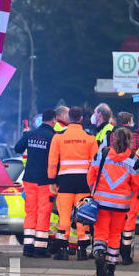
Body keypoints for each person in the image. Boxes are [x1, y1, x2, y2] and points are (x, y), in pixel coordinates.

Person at [87, 127, 139, 276]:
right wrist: (130, 195)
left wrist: (93, 189)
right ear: (129, 141)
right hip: (121, 204)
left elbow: (91, 174)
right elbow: (137, 183)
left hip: (101, 202)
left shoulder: (102, 154)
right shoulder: (133, 160)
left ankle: (99, 253)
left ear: (113, 139)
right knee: (115, 235)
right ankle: (110, 269)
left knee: (100, 232)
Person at [46, 106, 99, 260]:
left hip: (65, 182)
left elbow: (52, 161)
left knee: (64, 216)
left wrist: (52, 180)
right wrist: (93, 184)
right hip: (84, 183)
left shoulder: (59, 137)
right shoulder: (90, 138)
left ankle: (62, 251)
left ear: (69, 118)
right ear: (81, 118)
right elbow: (94, 164)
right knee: (84, 215)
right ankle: (82, 252)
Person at [14, 109, 57, 257]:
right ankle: (40, 248)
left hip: (29, 178)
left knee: (30, 212)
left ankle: (28, 247)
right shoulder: (53, 137)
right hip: (45, 180)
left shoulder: (30, 134)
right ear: (54, 121)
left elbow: (17, 149)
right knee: (44, 212)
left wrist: (25, 136)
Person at [114, 112, 139, 265]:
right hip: (133, 186)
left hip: (113, 186)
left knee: (114, 222)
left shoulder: (110, 136)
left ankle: (112, 253)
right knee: (129, 222)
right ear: (130, 121)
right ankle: (126, 255)